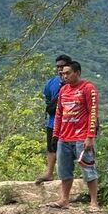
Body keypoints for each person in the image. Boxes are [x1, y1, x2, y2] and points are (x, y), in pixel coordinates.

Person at [49, 60, 100, 211]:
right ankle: (64, 199)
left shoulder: (88, 88)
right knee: (64, 171)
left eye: (67, 73)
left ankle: (94, 202)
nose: (64, 76)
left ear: (77, 73)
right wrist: (55, 135)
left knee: (88, 169)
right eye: (62, 74)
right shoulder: (63, 91)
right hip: (64, 137)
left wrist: (90, 136)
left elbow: (93, 113)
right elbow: (59, 114)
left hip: (81, 136)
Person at [36, 54, 72, 183]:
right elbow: (48, 101)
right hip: (53, 122)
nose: (60, 69)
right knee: (51, 147)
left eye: (62, 66)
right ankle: (49, 172)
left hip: (71, 122)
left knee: (73, 148)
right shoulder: (51, 83)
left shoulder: (75, 83)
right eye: (57, 67)